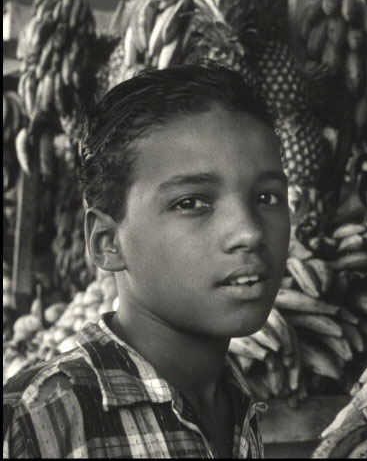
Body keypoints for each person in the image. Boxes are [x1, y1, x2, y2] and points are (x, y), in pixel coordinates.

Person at [3, 63, 291, 458]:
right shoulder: (35, 422)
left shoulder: (234, 405)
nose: (250, 232)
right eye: (191, 202)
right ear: (108, 242)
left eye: (267, 197)